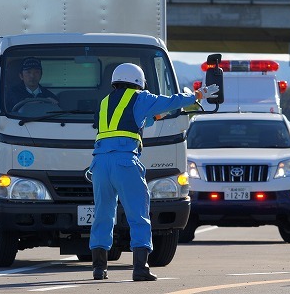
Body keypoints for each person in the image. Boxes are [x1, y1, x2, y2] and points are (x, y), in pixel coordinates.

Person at [89, 63, 219, 281]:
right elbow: (171, 101)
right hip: (125, 161)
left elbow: (125, 122)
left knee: (103, 214)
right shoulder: (140, 97)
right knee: (138, 213)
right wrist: (198, 94)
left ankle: (99, 268)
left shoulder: (105, 102)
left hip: (100, 163)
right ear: (138, 81)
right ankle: (140, 268)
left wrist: (154, 117)